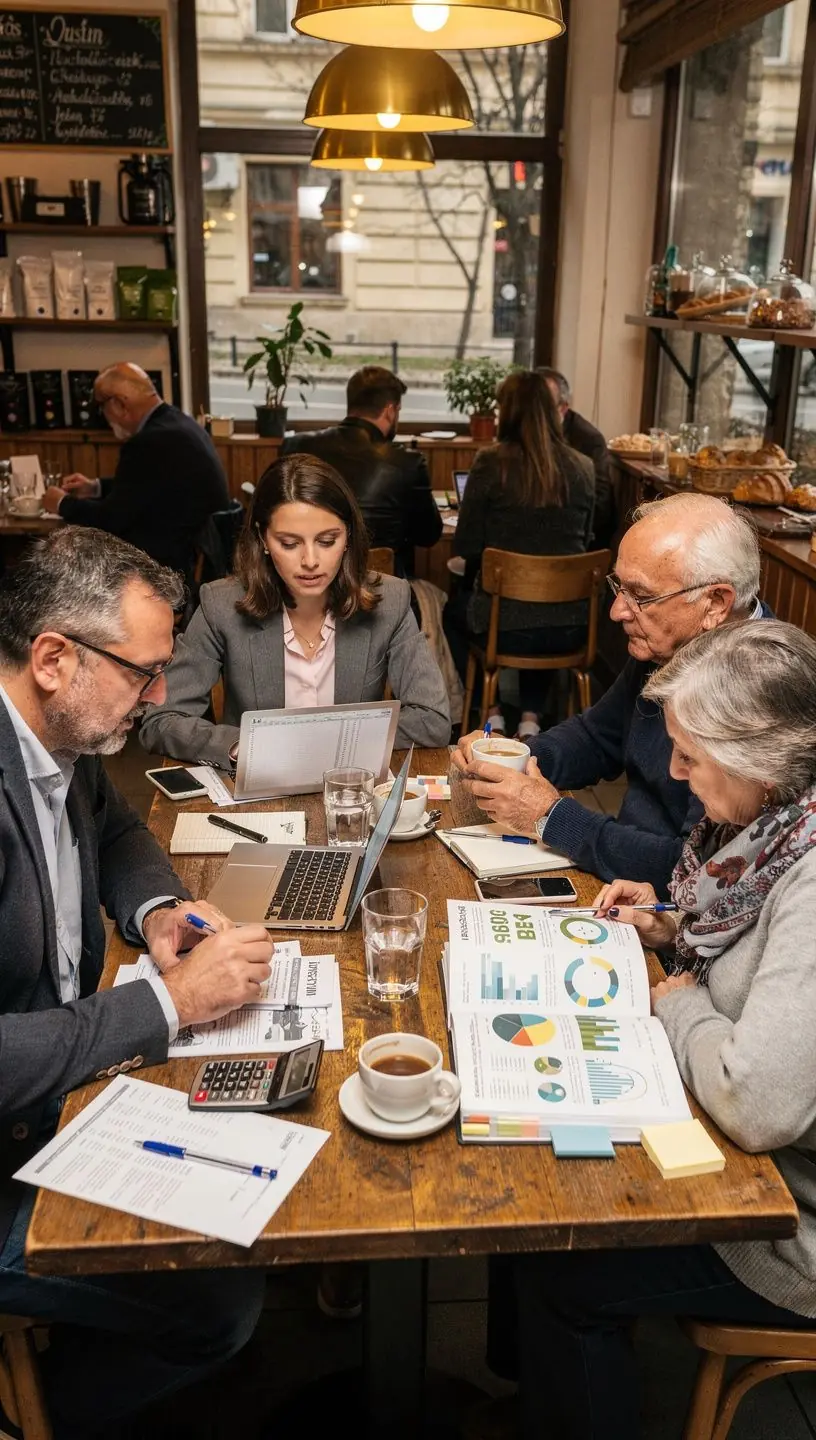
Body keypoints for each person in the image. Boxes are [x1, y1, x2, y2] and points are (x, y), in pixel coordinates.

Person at [0, 526, 272, 1439]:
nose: (158, 696)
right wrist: (170, 1002)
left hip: (60, 1084)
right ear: (52, 658)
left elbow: (117, 834)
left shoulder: (58, 743)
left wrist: (157, 913)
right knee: (219, 1306)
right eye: (141, 673)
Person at [513, 620, 816, 1440]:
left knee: (561, 1268)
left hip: (793, 1220)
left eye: (692, 756)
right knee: (537, 1183)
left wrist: (680, 1001)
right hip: (754, 1162)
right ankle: (533, 1390)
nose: (675, 773)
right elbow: (741, 945)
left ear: (760, 757)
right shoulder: (774, 822)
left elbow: (757, 1102)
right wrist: (667, 925)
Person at [452, 493, 769, 895]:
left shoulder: (757, 696)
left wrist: (550, 817)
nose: (618, 610)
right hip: (617, 871)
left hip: (662, 911)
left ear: (715, 603)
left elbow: (691, 868)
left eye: (641, 595)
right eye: (619, 586)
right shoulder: (674, 640)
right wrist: (516, 757)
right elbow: (597, 736)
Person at [139, 452, 451, 765]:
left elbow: (432, 720)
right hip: (257, 796)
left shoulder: (392, 599)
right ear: (262, 538)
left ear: (348, 537)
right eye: (289, 544)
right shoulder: (220, 605)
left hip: (351, 790)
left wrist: (321, 742)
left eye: (327, 540)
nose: (311, 561)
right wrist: (241, 748)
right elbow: (161, 721)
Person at [442, 369, 596, 740]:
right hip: (571, 626)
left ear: (508, 412)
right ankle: (531, 720)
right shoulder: (583, 467)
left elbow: (465, 546)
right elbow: (586, 539)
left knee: (452, 613)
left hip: (503, 628)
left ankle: (491, 714)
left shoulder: (490, 463)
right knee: (542, 609)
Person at [42, 364, 230, 576]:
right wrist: (94, 487)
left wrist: (61, 503)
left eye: (102, 407)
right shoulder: (176, 422)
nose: (104, 416)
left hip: (170, 564)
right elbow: (146, 485)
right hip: (198, 552)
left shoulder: (149, 441)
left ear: (120, 404)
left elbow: (110, 521)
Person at [281, 365, 442, 575]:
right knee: (436, 596)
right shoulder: (408, 462)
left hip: (309, 586)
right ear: (390, 411)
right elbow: (428, 535)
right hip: (382, 593)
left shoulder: (296, 447)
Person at [538, 366, 615, 546]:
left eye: (545, 406)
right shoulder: (518, 436)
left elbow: (601, 507)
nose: (537, 414)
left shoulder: (588, 439)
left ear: (563, 408)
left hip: (577, 547)